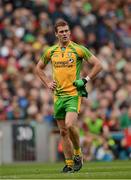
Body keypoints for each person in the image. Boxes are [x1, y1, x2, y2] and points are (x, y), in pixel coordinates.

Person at [36, 19, 102, 173]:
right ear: (56, 34)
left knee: (70, 125)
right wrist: (47, 82)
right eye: (61, 32)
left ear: (70, 32)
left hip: (73, 94)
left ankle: (78, 153)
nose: (64, 33)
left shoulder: (79, 50)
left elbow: (98, 65)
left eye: (66, 31)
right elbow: (38, 68)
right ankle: (69, 163)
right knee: (63, 131)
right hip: (58, 96)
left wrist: (85, 80)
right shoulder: (51, 51)